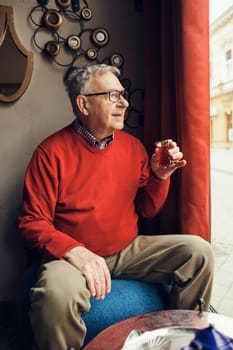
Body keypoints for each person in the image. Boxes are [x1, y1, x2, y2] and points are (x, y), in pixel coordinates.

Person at [18, 64, 214, 350]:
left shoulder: (134, 148)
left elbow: (147, 210)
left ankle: (181, 342)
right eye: (112, 95)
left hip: (126, 250)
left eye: (123, 94)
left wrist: (159, 177)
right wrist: (76, 252)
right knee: (55, 293)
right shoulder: (50, 152)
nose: (124, 103)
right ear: (83, 104)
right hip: (72, 259)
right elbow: (31, 222)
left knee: (199, 253)